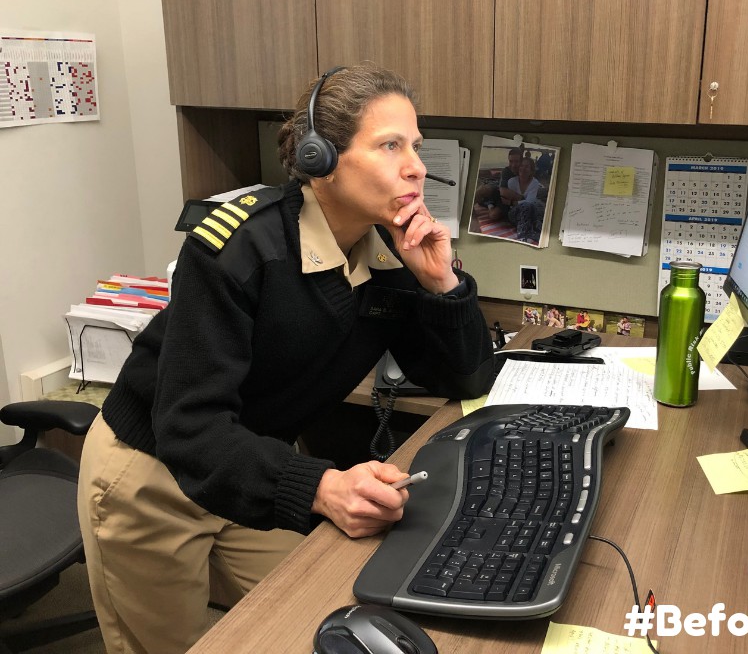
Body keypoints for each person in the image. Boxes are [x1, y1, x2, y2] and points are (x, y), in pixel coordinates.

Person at [77, 64, 496, 654]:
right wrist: (321, 487)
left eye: (417, 147)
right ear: (320, 156)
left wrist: (441, 284)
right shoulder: (238, 247)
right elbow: (190, 426)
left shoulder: (389, 253)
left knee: (309, 620)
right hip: (152, 473)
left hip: (254, 461)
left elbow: (464, 379)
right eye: (390, 145)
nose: (417, 167)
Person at [473, 146, 524, 222]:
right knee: (482, 190)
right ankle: (472, 210)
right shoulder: (507, 170)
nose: (513, 165)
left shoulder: (525, 172)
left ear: (521, 161)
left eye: (516, 161)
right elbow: (503, 191)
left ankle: (489, 204)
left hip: (507, 201)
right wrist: (520, 196)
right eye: (511, 161)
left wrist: (519, 198)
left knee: (493, 215)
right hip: (500, 192)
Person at [506, 157, 546, 244]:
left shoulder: (535, 183)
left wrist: (517, 202)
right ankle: (523, 234)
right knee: (530, 205)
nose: (523, 168)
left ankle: (533, 232)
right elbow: (511, 203)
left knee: (535, 206)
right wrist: (518, 202)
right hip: (514, 214)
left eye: (526, 166)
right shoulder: (511, 182)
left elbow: (530, 201)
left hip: (529, 211)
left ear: (531, 170)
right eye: (521, 166)